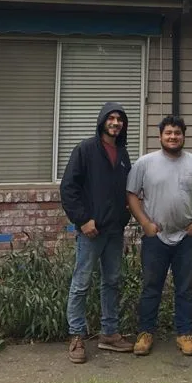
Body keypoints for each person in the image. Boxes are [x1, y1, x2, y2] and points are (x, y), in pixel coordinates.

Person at [126, 115, 192, 357]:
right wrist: (145, 223)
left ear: (183, 136)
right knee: (150, 287)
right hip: (155, 238)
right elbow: (131, 194)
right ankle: (145, 333)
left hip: (186, 238)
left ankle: (185, 334)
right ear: (160, 136)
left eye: (177, 133)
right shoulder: (145, 163)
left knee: (185, 289)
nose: (173, 137)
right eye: (168, 133)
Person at [59, 102, 135, 364]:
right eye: (111, 118)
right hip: (91, 232)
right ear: (102, 121)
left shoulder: (123, 153)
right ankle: (77, 335)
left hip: (115, 230)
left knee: (112, 281)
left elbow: (125, 190)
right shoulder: (86, 149)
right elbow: (69, 188)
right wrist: (82, 220)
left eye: (120, 119)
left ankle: (109, 333)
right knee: (81, 284)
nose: (115, 123)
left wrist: (125, 215)